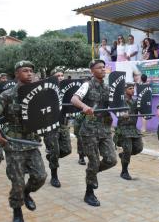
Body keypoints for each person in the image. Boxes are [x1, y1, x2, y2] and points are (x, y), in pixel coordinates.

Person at [0, 60, 47, 222]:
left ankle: (27, 193)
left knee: (40, 176)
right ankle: (17, 211)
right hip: (13, 144)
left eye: (31, 71)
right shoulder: (7, 94)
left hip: (31, 142)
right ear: (17, 74)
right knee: (17, 181)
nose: (29, 73)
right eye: (25, 70)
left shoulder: (37, 93)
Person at [71, 59, 117, 207]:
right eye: (99, 68)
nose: (103, 70)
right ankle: (89, 193)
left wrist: (121, 111)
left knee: (111, 160)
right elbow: (74, 99)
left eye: (104, 67)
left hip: (104, 128)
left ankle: (92, 172)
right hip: (89, 130)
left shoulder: (108, 87)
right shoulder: (87, 85)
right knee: (94, 161)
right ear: (92, 71)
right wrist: (84, 107)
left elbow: (114, 105)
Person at [44, 68, 72, 188]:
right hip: (51, 126)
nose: (60, 77)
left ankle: (51, 158)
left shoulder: (68, 91)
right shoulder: (46, 91)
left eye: (62, 75)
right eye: (57, 75)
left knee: (67, 150)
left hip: (63, 124)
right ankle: (54, 176)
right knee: (55, 151)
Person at [114, 82, 143, 180]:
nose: (132, 90)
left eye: (133, 88)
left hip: (133, 129)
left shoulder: (135, 101)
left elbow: (142, 110)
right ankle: (124, 171)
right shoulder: (120, 101)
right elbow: (116, 111)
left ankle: (123, 155)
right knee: (128, 149)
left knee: (139, 148)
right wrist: (121, 114)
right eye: (130, 88)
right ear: (125, 90)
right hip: (123, 129)